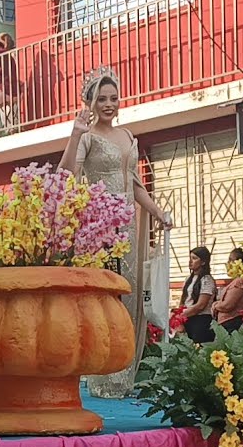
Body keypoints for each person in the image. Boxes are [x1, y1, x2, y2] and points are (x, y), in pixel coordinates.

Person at [59, 67, 170, 397]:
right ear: (90, 103)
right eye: (101, 99)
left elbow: (134, 185)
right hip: (100, 227)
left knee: (130, 293)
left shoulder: (127, 135)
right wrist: (75, 135)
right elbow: (66, 175)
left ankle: (125, 373)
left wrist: (158, 213)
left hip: (128, 226)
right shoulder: (87, 137)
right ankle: (103, 375)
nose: (108, 104)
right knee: (107, 296)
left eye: (113, 98)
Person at [177, 247, 217, 344]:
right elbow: (183, 299)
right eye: (190, 258)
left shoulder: (207, 280)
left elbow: (201, 305)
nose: (190, 261)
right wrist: (179, 316)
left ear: (203, 262)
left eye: (194, 258)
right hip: (187, 317)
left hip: (201, 320)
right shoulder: (188, 279)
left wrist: (181, 316)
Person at [213, 248, 243, 333]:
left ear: (240, 263)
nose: (228, 263)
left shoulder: (240, 281)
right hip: (228, 322)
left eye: (230, 260)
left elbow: (227, 305)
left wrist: (215, 305)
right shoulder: (238, 280)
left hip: (232, 322)